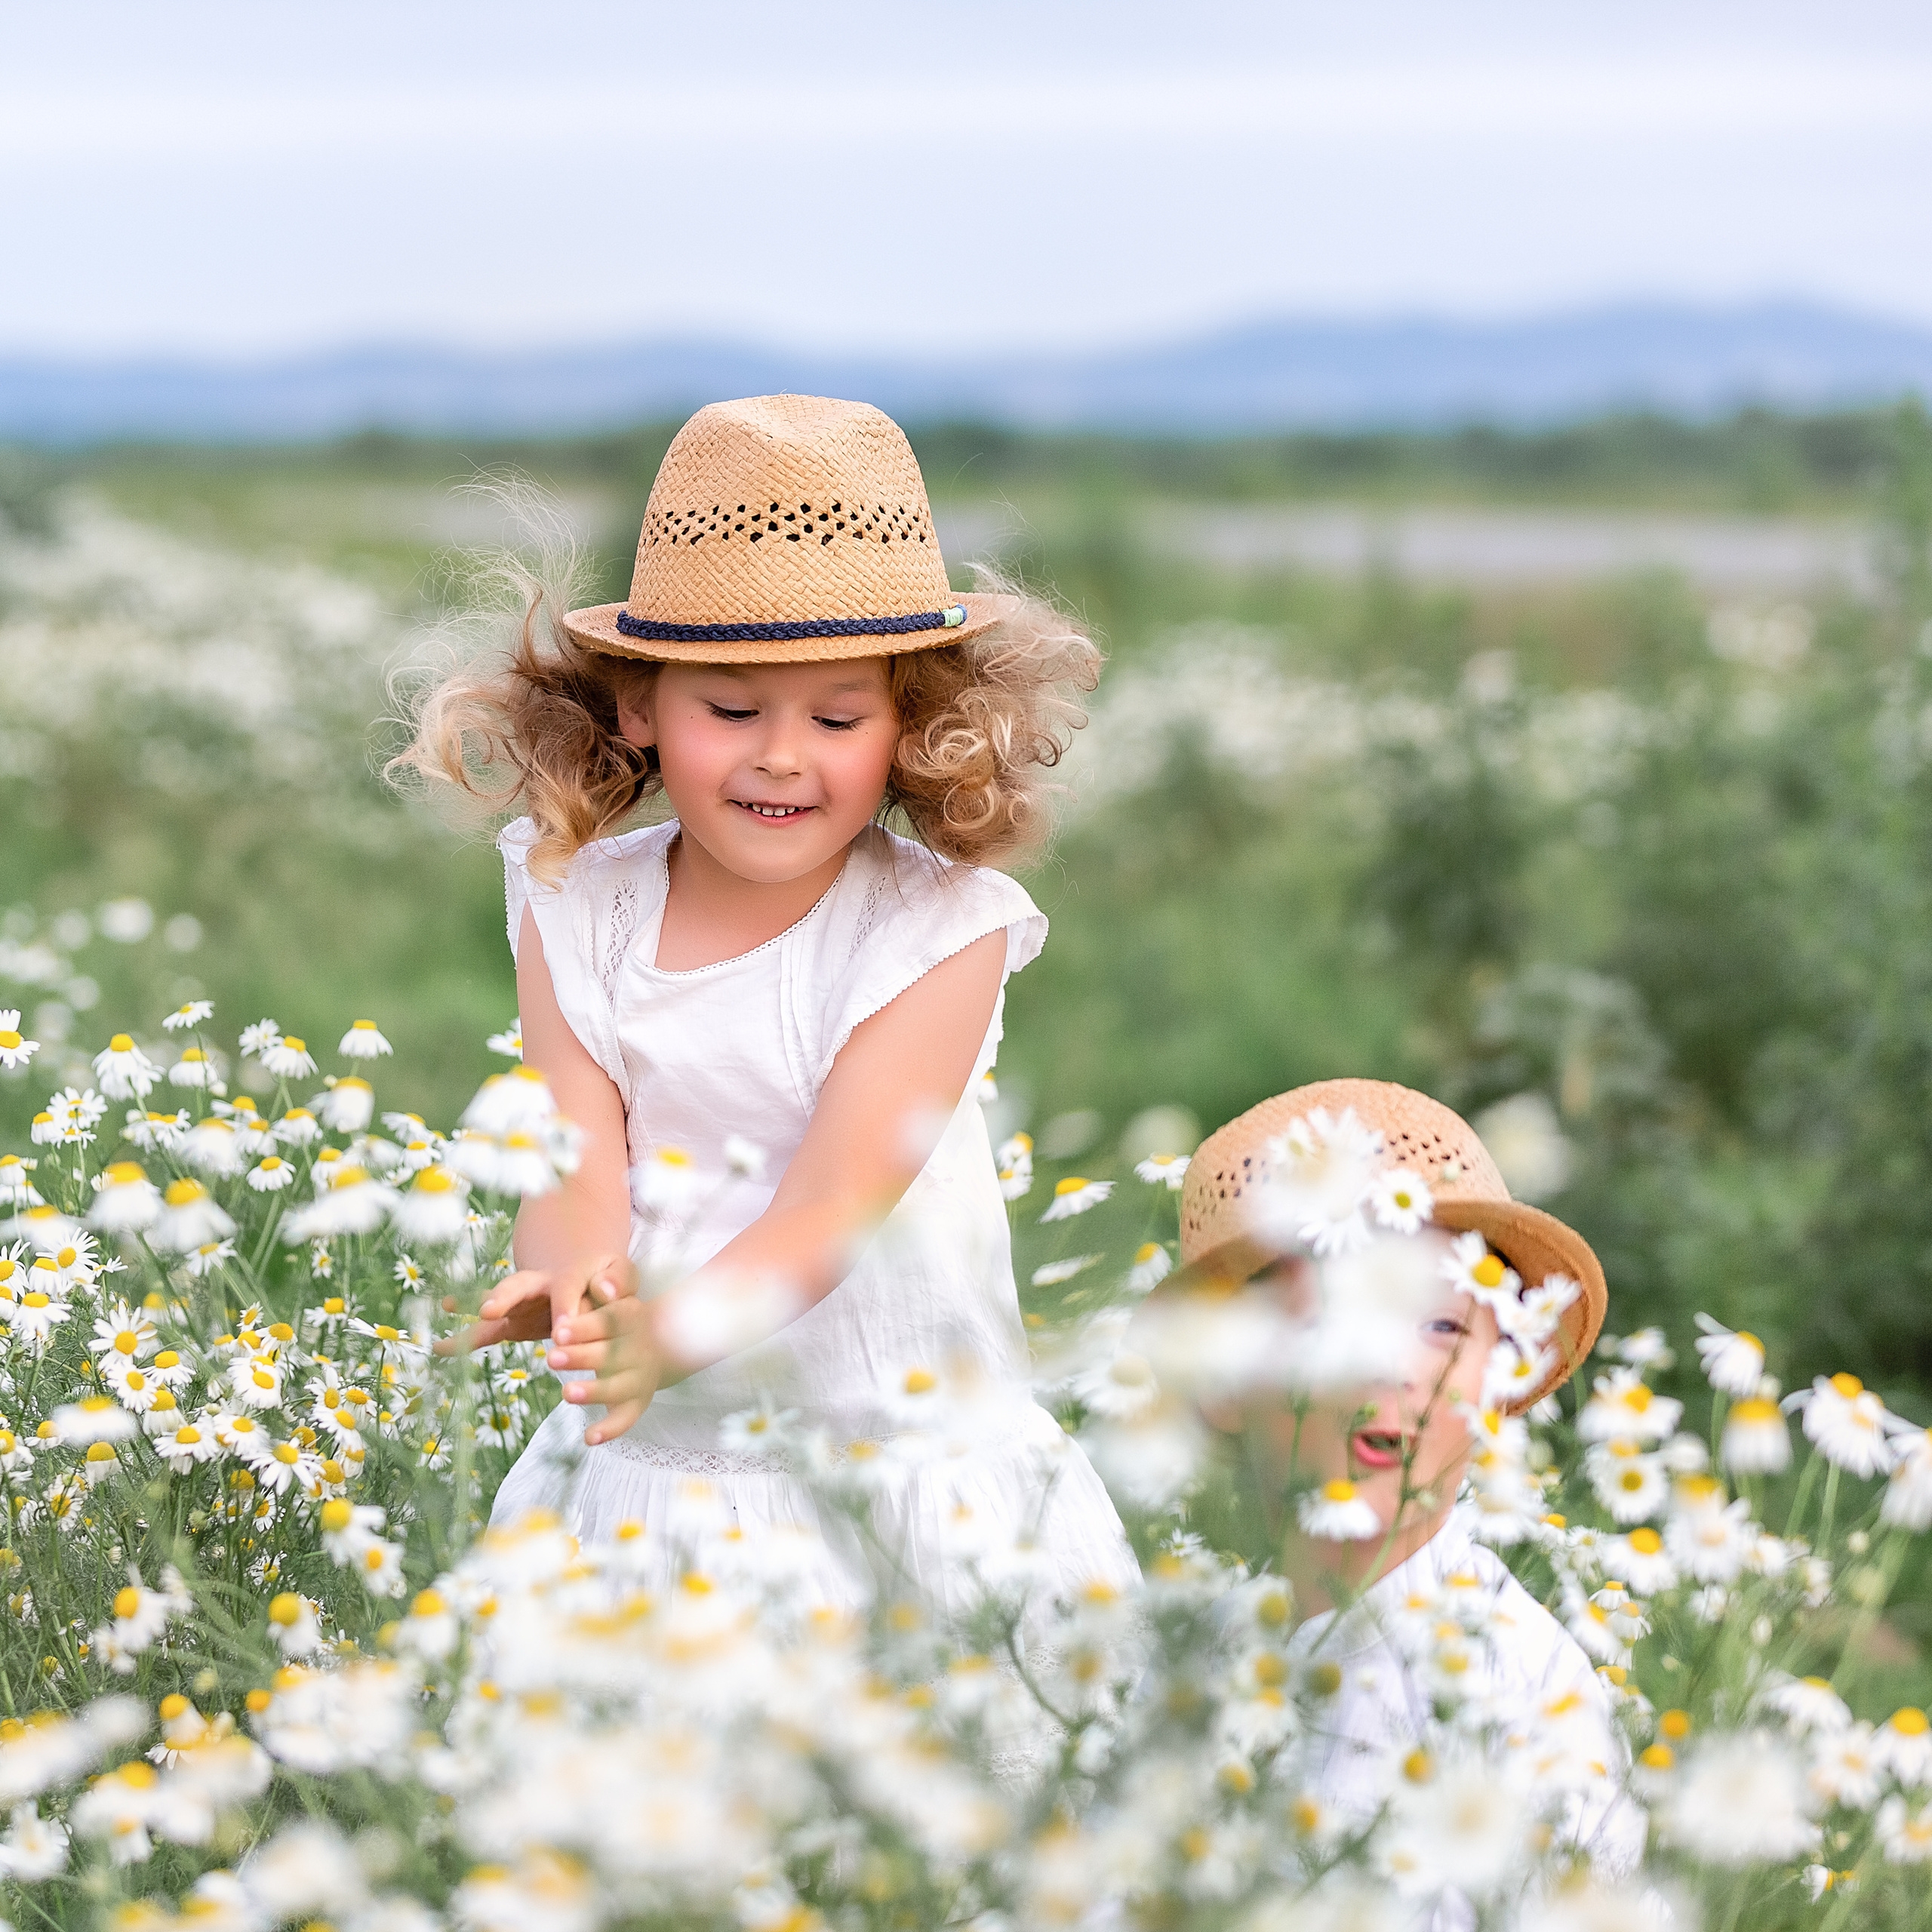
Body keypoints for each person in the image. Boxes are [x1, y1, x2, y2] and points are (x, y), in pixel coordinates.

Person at [397, 393, 1136, 1618]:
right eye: (731, 710)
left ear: (908, 722)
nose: (782, 756)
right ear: (641, 704)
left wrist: (666, 1333)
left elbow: (832, 1210)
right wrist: (577, 1289)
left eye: (838, 716)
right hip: (669, 1461)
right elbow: (572, 1149)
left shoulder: (939, 932)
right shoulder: (573, 897)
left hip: (896, 1469)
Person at [1174, 1079, 1644, 1890]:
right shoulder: (1192, 1661)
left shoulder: (1525, 1693)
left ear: (1502, 1372)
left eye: (1439, 1326)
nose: (1391, 1366)